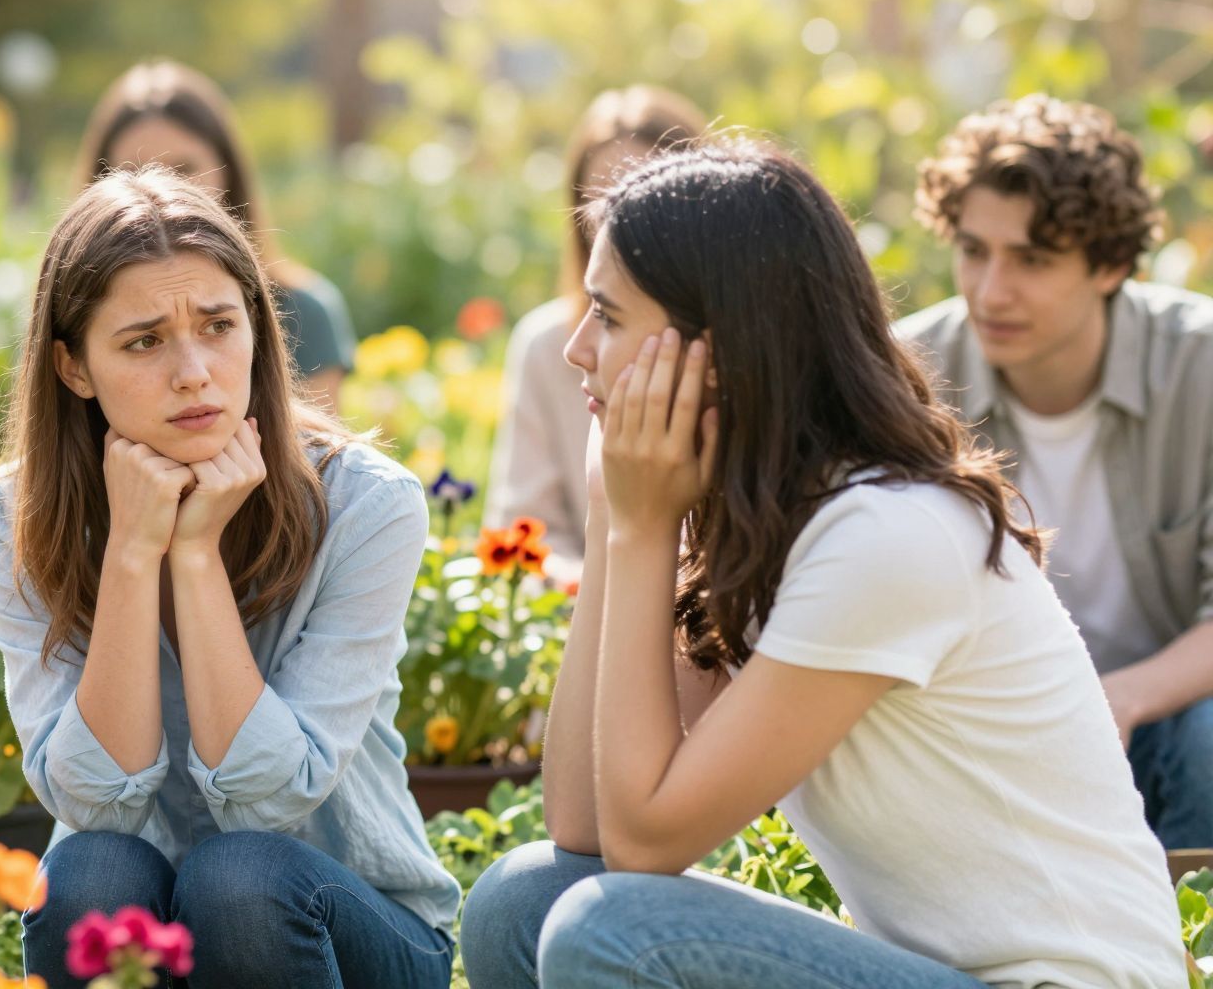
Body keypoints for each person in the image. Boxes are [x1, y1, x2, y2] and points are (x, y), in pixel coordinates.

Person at [458, 140, 1183, 988]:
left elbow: (646, 840)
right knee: (524, 898)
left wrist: (643, 532)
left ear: (718, 347)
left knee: (610, 926)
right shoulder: (761, 517)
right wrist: (619, 509)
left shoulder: (884, 534)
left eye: (610, 318)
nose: (577, 349)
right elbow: (585, 822)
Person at [0, 168, 461, 988]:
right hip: (153, 916)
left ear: (258, 330)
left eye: (218, 326)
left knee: (238, 879)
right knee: (89, 874)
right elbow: (95, 804)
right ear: (73, 367)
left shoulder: (366, 504)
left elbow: (272, 802)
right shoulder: (16, 517)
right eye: (143, 341)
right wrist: (132, 550)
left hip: (354, 928)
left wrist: (195, 556)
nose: (194, 370)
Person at [899, 93, 1213, 850]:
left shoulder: (1200, 365)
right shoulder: (905, 378)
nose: (990, 290)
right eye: (974, 250)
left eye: (1032, 260)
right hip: (984, 730)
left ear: (1109, 264)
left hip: (1163, 716)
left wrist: (1122, 700)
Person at [485, 85, 705, 572]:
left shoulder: (731, 354)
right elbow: (521, 527)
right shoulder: (551, 345)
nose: (615, 222)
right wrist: (604, 589)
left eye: (641, 196)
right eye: (598, 202)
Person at [74, 59, 357, 412]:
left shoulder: (304, 312)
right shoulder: (69, 317)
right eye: (134, 172)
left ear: (227, 173)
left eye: (183, 169)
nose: (161, 189)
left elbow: (317, 461)